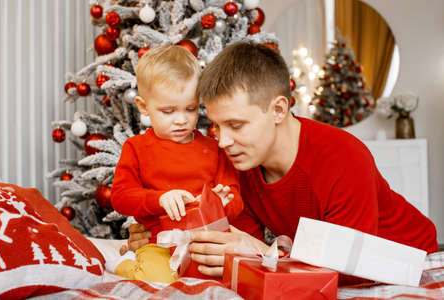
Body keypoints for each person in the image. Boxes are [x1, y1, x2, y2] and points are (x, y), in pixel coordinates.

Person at [125, 42, 439, 284]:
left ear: (278, 110)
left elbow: (347, 268)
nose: (222, 142)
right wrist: (156, 235)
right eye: (217, 127)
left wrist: (264, 253)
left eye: (236, 125)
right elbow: (231, 240)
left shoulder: (342, 157)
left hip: (411, 261)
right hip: (328, 268)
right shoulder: (241, 163)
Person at [110, 45, 243, 283]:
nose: (181, 120)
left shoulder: (214, 149)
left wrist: (221, 204)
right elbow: (120, 197)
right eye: (168, 111)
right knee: (159, 281)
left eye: (190, 109)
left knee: (233, 281)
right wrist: (159, 199)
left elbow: (235, 199)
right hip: (159, 244)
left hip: (207, 244)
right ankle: (126, 265)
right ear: (143, 106)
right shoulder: (137, 147)